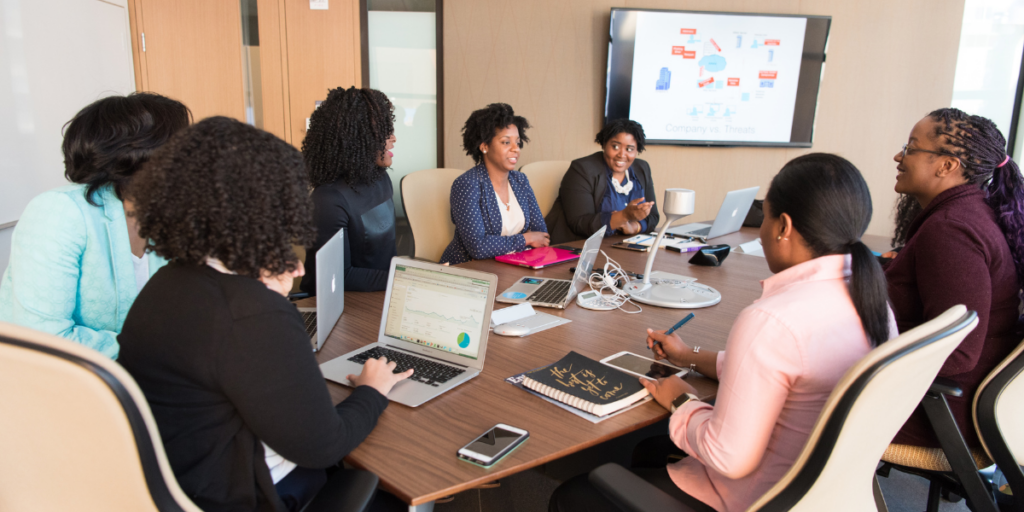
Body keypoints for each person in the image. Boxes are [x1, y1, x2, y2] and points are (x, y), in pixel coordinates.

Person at [549, 154, 895, 512]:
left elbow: (727, 457)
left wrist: (681, 399)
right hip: (824, 493)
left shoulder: (771, 320)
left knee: (572, 496)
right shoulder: (872, 301)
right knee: (648, 450)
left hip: (753, 498)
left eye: (767, 216)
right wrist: (689, 358)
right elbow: (784, 372)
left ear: (783, 227)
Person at [117, 117, 412, 512]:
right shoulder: (250, 314)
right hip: (255, 494)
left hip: (183, 484)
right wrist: (371, 390)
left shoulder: (165, 284)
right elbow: (323, 444)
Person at [0, 92, 190, 359]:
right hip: (54, 381)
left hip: (138, 374)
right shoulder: (60, 212)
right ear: (140, 154)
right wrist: (160, 349)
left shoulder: (170, 216)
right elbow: (45, 338)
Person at [884, 108, 1024, 450]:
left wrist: (858, 361)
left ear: (946, 166)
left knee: (791, 393)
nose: (899, 156)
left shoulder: (950, 230)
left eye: (911, 147)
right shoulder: (969, 213)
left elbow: (958, 351)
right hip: (959, 401)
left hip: (943, 414)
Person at [300, 87, 398, 293]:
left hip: (379, 293)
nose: (393, 138)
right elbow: (340, 277)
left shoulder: (381, 178)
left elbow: (385, 255)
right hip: (339, 303)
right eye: (383, 132)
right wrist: (406, 279)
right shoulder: (328, 200)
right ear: (357, 139)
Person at [440, 103, 549, 265]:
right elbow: (478, 247)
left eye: (517, 142)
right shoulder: (467, 184)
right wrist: (526, 239)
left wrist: (529, 241)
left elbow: (541, 235)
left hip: (512, 264)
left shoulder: (520, 180)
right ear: (484, 146)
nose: (515, 149)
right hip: (469, 270)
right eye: (506, 142)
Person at [546, 119, 659, 244]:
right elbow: (580, 223)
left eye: (630, 149)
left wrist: (633, 227)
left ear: (637, 150)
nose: (622, 154)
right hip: (577, 247)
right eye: (615, 146)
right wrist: (624, 216)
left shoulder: (642, 169)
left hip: (620, 245)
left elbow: (653, 217)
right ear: (604, 144)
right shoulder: (582, 169)